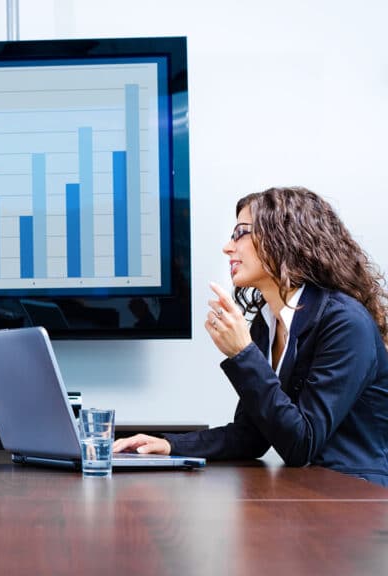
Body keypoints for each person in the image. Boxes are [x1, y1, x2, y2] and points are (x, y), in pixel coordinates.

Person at [114, 187, 388, 486]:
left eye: (240, 233)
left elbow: (302, 443)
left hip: (358, 497)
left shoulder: (344, 323)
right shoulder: (267, 321)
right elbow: (252, 435)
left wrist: (243, 353)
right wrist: (171, 446)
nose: (227, 247)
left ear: (283, 237)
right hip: (308, 491)